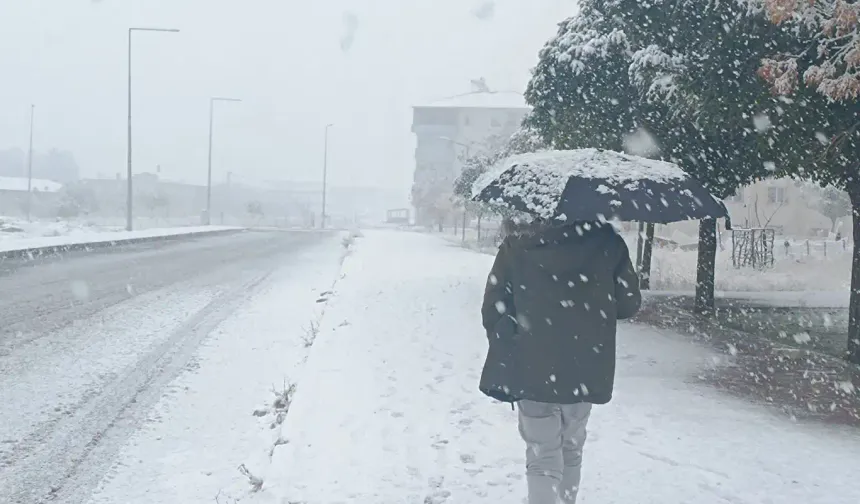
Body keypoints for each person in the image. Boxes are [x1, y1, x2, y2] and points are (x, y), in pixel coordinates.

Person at [479, 219, 641, 504]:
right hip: (586, 366)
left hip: (532, 366)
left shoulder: (519, 243)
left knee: (543, 455)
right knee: (571, 449)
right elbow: (628, 304)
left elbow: (493, 307)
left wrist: (514, 334)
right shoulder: (608, 243)